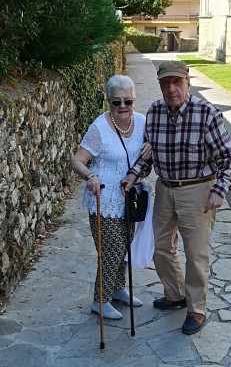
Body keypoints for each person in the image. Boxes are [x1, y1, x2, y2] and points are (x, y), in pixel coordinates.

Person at [121, 60, 231, 334]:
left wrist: (219, 191)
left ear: (187, 82)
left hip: (198, 190)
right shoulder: (156, 111)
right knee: (161, 247)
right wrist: (133, 175)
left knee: (195, 254)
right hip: (165, 187)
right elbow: (148, 157)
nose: (171, 88)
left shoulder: (207, 113)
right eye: (165, 83)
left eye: (177, 82)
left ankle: (196, 310)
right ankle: (175, 295)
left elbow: (228, 156)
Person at [71, 75, 152, 320]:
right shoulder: (99, 128)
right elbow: (77, 160)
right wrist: (91, 176)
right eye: (116, 102)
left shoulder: (141, 122)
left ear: (134, 100)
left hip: (131, 199)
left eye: (128, 100)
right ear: (108, 102)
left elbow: (147, 157)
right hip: (104, 199)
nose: (122, 106)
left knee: (124, 246)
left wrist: (152, 149)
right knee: (111, 249)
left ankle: (117, 289)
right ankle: (100, 299)